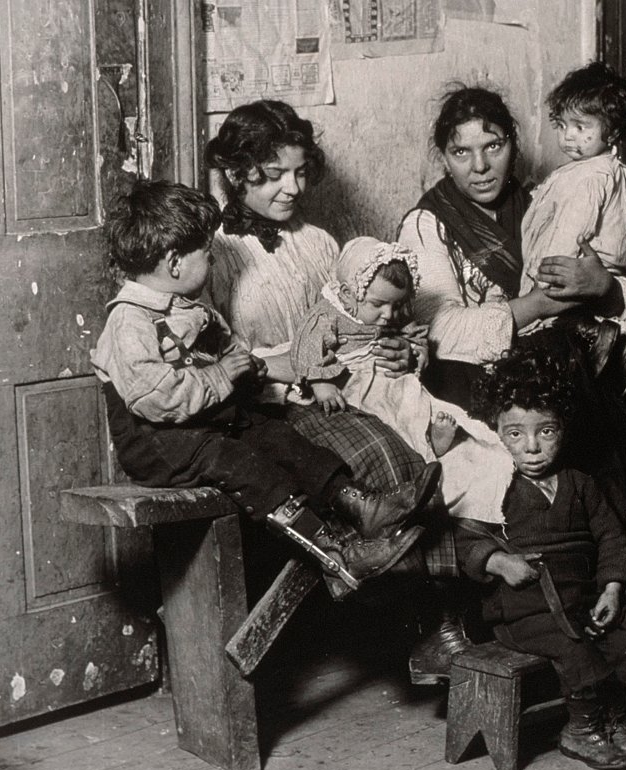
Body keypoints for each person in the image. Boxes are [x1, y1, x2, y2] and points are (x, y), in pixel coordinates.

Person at [397, 83, 626, 734]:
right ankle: (619, 689)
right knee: (590, 474)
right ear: (443, 156)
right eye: (462, 151)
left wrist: (606, 287)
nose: (481, 165)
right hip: (477, 393)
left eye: (493, 145)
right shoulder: (427, 224)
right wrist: (536, 308)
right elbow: (439, 332)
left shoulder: (559, 194)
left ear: (514, 145)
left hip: (570, 376)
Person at [202, 100, 472, 683]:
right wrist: (293, 372)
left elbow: (367, 318)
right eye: (272, 175)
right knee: (386, 455)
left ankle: (447, 621)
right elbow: (218, 358)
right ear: (234, 171)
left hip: (349, 388)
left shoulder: (323, 243)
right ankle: (432, 625)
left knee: (441, 451)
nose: (292, 187)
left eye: (300, 172)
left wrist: (401, 348)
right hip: (271, 406)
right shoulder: (214, 252)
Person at [90, 180, 440, 593]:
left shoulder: (190, 309)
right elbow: (155, 399)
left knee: (279, 436)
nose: (213, 263)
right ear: (174, 263)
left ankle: (361, 506)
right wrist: (222, 373)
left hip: (200, 425)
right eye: (207, 254)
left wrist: (252, 369)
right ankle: (337, 553)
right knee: (244, 464)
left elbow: (236, 362)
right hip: (157, 442)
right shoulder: (129, 321)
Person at [460, 346, 626, 770]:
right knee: (575, 650)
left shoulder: (580, 483)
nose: (532, 447)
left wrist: (612, 586)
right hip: (525, 608)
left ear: (563, 429)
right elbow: (464, 540)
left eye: (545, 432)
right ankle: (580, 730)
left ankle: (614, 723)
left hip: (581, 596)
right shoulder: (494, 485)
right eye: (515, 434)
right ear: (495, 432)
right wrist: (498, 561)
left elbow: (610, 537)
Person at [290, 236, 514, 523]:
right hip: (355, 385)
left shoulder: (384, 312)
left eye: (396, 306)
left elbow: (406, 329)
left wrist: (413, 343)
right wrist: (321, 382)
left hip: (388, 379)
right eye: (379, 305)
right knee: (390, 418)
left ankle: (433, 439)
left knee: (417, 404)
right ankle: (426, 451)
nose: (388, 314)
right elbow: (305, 346)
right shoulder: (328, 315)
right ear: (348, 293)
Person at [519, 61, 626, 334]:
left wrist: (541, 286)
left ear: (613, 131)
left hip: (569, 293)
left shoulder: (589, 178)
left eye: (581, 127)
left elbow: (570, 234)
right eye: (562, 125)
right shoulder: (600, 168)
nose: (568, 136)